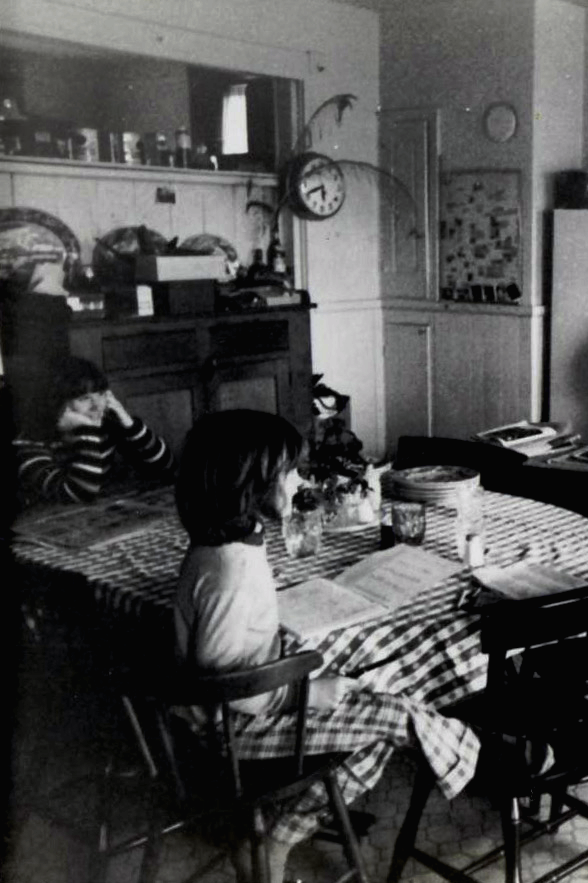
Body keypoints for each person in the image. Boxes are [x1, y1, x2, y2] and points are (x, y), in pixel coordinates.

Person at [173, 410, 478, 883]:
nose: (299, 479)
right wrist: (308, 694)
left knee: (375, 672)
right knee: (391, 719)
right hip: (232, 729)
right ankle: (279, 834)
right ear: (249, 485)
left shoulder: (229, 541)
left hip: (258, 690)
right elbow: (225, 689)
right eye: (288, 472)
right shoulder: (228, 570)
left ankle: (449, 745)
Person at [13, 356, 173, 506]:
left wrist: (131, 426)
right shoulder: (28, 446)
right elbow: (78, 494)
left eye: (102, 394)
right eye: (84, 398)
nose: (97, 406)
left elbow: (166, 465)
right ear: (56, 403)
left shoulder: (107, 427)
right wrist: (86, 431)